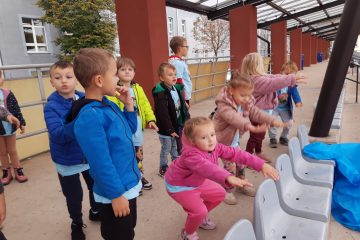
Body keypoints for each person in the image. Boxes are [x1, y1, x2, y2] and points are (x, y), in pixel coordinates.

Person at [66, 48, 141, 240]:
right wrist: (116, 195)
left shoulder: (108, 104)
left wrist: (128, 105)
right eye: (115, 74)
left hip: (127, 184)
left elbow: (130, 130)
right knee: (118, 235)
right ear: (99, 80)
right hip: (114, 192)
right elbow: (100, 162)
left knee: (128, 229)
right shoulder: (90, 117)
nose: (118, 78)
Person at [165, 117, 279, 240]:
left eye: (212, 134)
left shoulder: (215, 147)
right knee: (199, 211)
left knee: (219, 194)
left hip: (197, 181)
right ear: (192, 141)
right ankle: (187, 233)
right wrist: (228, 176)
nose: (210, 140)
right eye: (204, 137)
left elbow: (237, 154)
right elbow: (207, 168)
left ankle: (199, 218)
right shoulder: (190, 155)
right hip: (179, 186)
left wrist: (261, 164)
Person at [44, 61, 99, 240]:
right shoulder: (51, 106)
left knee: (95, 186)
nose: (64, 81)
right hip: (67, 160)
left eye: (69, 77)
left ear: (76, 79)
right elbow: (58, 134)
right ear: (51, 81)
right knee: (74, 196)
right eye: (58, 78)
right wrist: (81, 121)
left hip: (87, 155)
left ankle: (95, 210)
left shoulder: (85, 97)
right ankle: (76, 222)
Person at [213, 71, 282, 204]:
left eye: (249, 95)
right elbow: (233, 118)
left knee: (241, 162)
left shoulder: (245, 101)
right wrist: (251, 127)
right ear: (232, 90)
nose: (246, 98)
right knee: (229, 167)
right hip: (222, 142)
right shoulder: (224, 104)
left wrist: (271, 120)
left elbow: (255, 112)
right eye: (243, 95)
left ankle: (241, 184)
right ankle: (228, 190)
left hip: (233, 141)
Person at [241, 52, 306, 161]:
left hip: (263, 112)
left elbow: (272, 77)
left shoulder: (257, 77)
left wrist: (290, 77)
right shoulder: (255, 81)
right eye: (261, 62)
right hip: (259, 113)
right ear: (256, 65)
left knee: (260, 136)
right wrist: (291, 79)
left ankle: (258, 152)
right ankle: (248, 158)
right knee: (255, 137)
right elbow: (273, 83)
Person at [107, 57, 158, 193]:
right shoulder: (114, 90)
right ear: (116, 73)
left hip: (137, 129)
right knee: (126, 155)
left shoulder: (137, 88)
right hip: (124, 129)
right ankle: (130, 180)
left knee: (138, 154)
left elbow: (146, 105)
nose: (127, 72)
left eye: (130, 69)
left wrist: (151, 119)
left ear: (134, 73)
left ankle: (139, 176)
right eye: (123, 69)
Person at [152, 63, 190, 177]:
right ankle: (163, 168)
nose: (174, 77)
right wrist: (169, 129)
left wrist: (185, 106)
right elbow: (163, 114)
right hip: (166, 128)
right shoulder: (161, 93)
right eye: (170, 75)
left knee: (175, 146)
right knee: (166, 148)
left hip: (176, 124)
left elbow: (179, 103)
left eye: (175, 74)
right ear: (162, 78)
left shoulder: (175, 88)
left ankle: (176, 165)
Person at [0, 70, 27, 185]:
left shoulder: (8, 93)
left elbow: (16, 108)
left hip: (10, 127)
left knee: (12, 150)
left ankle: (18, 169)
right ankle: (6, 172)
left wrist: (21, 122)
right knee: (2, 151)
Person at [269, 61, 303, 148]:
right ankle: (272, 138)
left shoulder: (292, 85)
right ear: (281, 72)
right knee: (272, 122)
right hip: (274, 107)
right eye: (286, 74)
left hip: (285, 108)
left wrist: (298, 101)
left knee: (289, 123)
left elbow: (295, 93)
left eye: (292, 75)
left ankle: (283, 137)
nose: (289, 77)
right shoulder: (277, 82)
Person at [169, 36, 192, 106]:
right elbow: (178, 83)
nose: (187, 49)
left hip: (184, 96)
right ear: (179, 48)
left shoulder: (179, 62)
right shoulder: (177, 63)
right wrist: (183, 100)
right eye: (186, 46)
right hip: (182, 97)